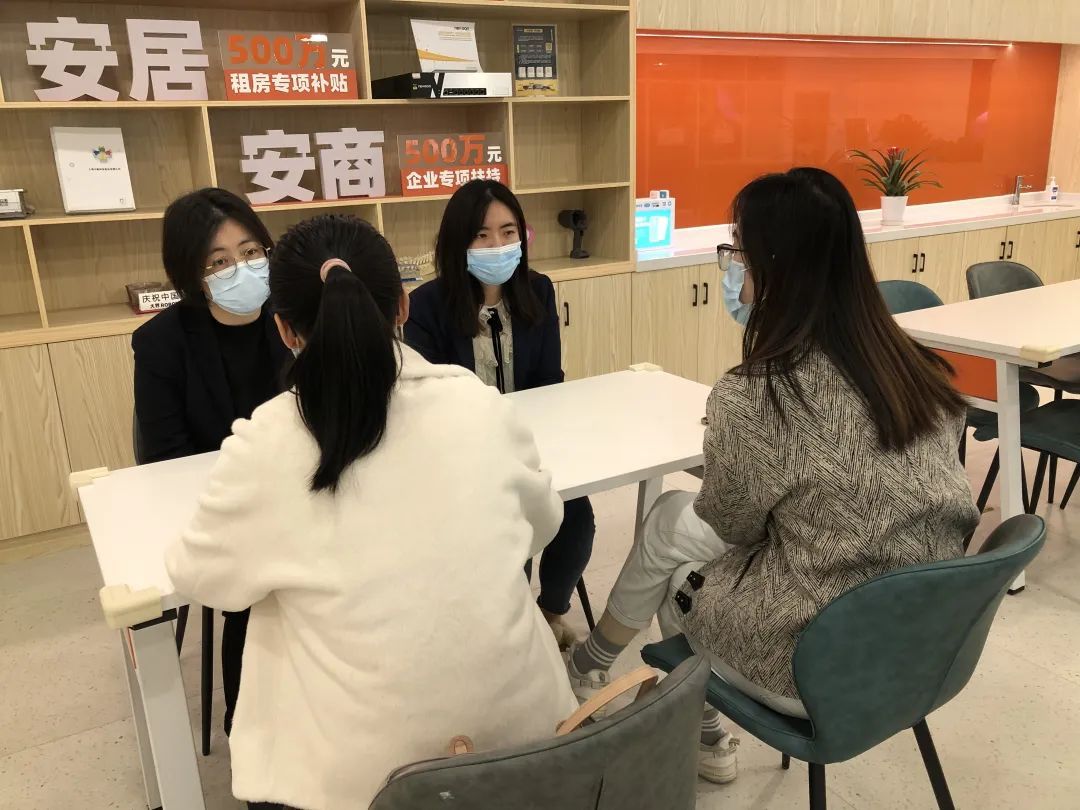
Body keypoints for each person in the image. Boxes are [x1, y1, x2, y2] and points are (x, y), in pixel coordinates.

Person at [566, 168, 981, 784]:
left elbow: (734, 527)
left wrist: (738, 457)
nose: (733, 268)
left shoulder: (757, 395)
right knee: (676, 524)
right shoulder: (918, 372)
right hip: (926, 649)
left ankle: (669, 708)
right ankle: (607, 669)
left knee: (676, 547)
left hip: (809, 665)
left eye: (738, 251)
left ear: (775, 268)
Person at [165, 214, 577, 810]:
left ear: (284, 329)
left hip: (365, 785)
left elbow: (201, 579)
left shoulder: (267, 442)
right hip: (531, 745)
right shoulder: (476, 401)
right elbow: (544, 524)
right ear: (403, 306)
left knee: (278, 631)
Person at [405, 180, 595, 648]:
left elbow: (550, 379)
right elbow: (430, 401)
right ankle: (510, 629)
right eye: (482, 235)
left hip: (533, 441)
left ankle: (549, 613)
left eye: (509, 232)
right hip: (463, 454)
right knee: (510, 527)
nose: (498, 245)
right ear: (458, 242)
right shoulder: (426, 306)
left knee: (577, 516)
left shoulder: (538, 290)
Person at [132, 187, 290, 736]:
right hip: (220, 504)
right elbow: (165, 459)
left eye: (251, 252)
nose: (241, 269)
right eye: (219, 262)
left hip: (300, 490)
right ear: (192, 275)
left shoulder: (294, 316)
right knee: (256, 589)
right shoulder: (161, 344)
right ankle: (246, 726)